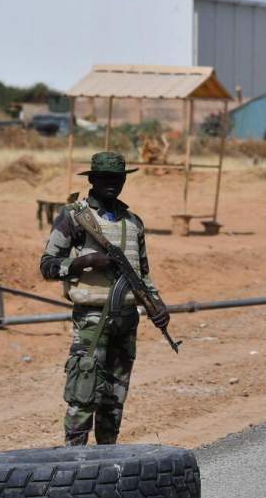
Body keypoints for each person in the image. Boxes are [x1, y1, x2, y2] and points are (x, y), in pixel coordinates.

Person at [40, 151, 169, 446]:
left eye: (118, 178)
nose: (112, 184)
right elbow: (47, 265)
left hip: (126, 320)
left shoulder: (133, 222)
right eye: (105, 178)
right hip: (91, 319)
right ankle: (74, 460)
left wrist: (157, 306)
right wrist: (84, 263)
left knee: (114, 399)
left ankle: (106, 460)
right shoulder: (74, 217)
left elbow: (142, 274)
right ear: (93, 180)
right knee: (84, 391)